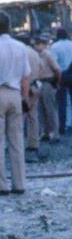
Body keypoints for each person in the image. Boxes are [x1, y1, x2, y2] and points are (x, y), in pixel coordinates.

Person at [0, 11, 31, 195]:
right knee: (17, 140)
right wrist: (25, 98)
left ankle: (2, 185)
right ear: (9, 26)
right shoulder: (20, 47)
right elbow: (26, 76)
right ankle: (19, 183)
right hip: (15, 93)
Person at [15, 33, 42, 154]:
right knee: (33, 116)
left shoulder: (20, 52)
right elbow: (41, 68)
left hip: (23, 87)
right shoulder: (35, 53)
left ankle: (18, 143)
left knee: (19, 117)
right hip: (35, 86)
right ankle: (34, 143)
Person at [50, 28, 72, 135]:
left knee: (61, 101)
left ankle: (62, 126)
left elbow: (54, 63)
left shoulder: (55, 46)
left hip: (61, 74)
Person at [33, 34, 61, 143]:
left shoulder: (48, 55)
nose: (36, 46)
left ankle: (55, 133)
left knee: (50, 109)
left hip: (48, 82)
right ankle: (45, 132)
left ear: (43, 45)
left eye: (38, 44)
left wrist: (56, 83)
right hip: (39, 82)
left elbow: (57, 70)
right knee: (41, 109)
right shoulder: (37, 55)